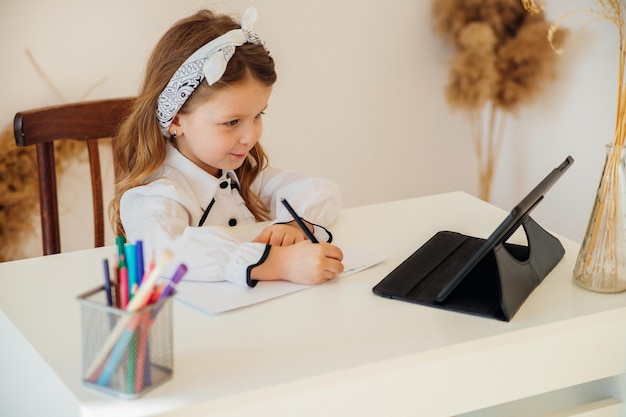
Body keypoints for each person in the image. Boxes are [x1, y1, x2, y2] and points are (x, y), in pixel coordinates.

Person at [109, 7, 344, 287]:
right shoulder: (159, 194)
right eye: (232, 122)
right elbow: (165, 250)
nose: (251, 136)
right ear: (176, 120)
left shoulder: (238, 175)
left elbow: (321, 193)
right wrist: (276, 263)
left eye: (258, 115)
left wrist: (292, 227)